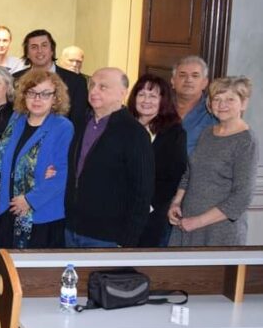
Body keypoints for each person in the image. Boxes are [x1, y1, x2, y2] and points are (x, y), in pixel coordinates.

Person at [65, 67, 154, 248]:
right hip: (71, 228)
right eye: (92, 85)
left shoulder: (134, 133)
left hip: (108, 236)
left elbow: (142, 192)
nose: (94, 91)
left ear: (122, 93)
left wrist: (128, 241)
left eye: (103, 87)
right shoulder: (79, 122)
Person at [0, 69, 73, 249]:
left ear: (55, 98)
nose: (37, 99)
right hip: (7, 207)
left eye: (45, 94)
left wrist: (29, 200)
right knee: (6, 271)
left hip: (41, 214)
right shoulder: (16, 118)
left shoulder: (62, 126)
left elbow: (62, 174)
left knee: (33, 275)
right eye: (31, 93)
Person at [169, 76, 258, 246]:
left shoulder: (246, 141)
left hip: (219, 232)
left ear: (244, 103)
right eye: (217, 99)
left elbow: (242, 197)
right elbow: (190, 173)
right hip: (186, 223)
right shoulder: (207, 133)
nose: (222, 104)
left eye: (230, 99)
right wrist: (176, 203)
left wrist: (197, 222)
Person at [128, 73, 187, 247]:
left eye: (153, 96)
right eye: (141, 94)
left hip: (150, 213)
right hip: (117, 210)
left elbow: (174, 175)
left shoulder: (174, 133)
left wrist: (148, 206)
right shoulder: (123, 124)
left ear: (163, 101)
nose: (146, 100)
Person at [14, 29, 88, 129]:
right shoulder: (15, 79)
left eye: (44, 45)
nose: (39, 51)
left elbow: (77, 122)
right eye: (34, 47)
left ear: (52, 50)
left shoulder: (76, 82)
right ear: (27, 53)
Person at [171, 55, 217, 155]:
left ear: (205, 83)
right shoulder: (159, 107)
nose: (188, 80)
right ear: (173, 81)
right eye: (182, 75)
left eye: (195, 76)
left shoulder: (214, 112)